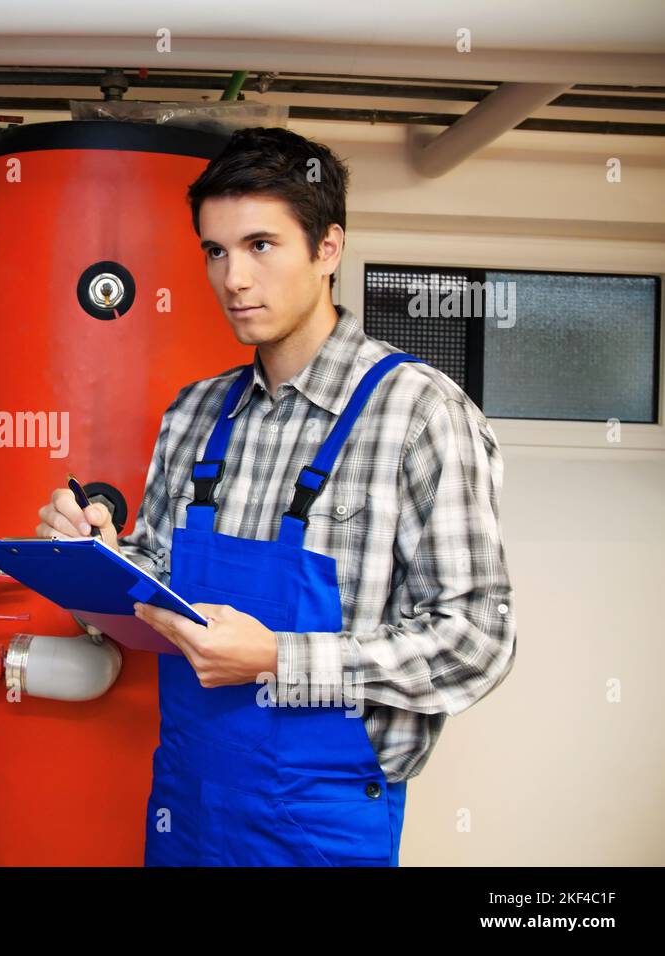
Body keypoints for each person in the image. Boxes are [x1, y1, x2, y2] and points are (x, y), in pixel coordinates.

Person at [35, 126, 517, 866]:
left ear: (328, 248)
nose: (234, 279)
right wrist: (95, 559)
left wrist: (278, 659)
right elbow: (159, 591)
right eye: (215, 250)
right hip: (189, 807)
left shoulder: (420, 413)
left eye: (262, 245)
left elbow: (476, 641)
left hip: (320, 828)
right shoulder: (195, 412)